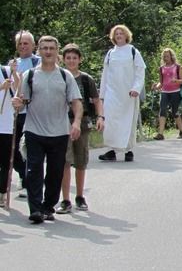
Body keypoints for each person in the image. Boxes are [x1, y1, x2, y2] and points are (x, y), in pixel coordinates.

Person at [12, 36, 82, 223]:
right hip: (34, 129)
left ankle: (48, 206)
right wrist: (17, 103)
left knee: (55, 172)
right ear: (39, 50)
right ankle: (35, 209)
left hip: (59, 131)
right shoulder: (30, 75)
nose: (48, 52)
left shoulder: (65, 76)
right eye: (44, 48)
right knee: (33, 169)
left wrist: (76, 123)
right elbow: (22, 100)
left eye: (51, 48)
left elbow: (76, 102)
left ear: (57, 50)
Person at [56, 44, 104, 214]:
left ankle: (79, 196)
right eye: (68, 58)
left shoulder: (86, 79)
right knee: (65, 162)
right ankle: (66, 199)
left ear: (80, 60)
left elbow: (97, 100)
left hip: (82, 123)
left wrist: (100, 117)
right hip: (62, 123)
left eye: (74, 58)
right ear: (63, 59)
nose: (71, 61)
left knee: (81, 161)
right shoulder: (58, 76)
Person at [98, 24, 146, 162]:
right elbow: (105, 74)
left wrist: (136, 88)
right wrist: (102, 94)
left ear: (126, 36)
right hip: (112, 93)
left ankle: (128, 150)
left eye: (121, 33)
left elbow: (140, 70)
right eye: (116, 33)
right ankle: (111, 150)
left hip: (128, 93)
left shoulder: (133, 52)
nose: (119, 35)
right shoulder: (110, 54)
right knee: (111, 121)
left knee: (128, 121)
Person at [10, 30, 41, 197]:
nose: (23, 46)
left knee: (30, 147)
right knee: (15, 149)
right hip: (18, 113)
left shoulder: (39, 61)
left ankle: (31, 181)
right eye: (20, 44)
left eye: (26, 43)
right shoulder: (12, 64)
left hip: (35, 111)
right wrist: (13, 73)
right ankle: (23, 175)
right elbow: (14, 90)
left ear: (33, 45)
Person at [152, 48, 182, 140]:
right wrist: (156, 86)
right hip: (164, 92)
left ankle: (181, 131)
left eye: (167, 56)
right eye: (164, 56)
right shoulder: (161, 68)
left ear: (171, 56)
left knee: (175, 112)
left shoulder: (177, 67)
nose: (165, 58)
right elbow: (161, 83)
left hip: (175, 92)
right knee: (162, 110)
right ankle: (161, 133)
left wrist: (176, 80)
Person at [0, 61, 19, 207]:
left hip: (5, 125)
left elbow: (19, 88)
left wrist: (14, 73)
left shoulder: (5, 70)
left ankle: (2, 192)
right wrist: (1, 87)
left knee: (6, 162)